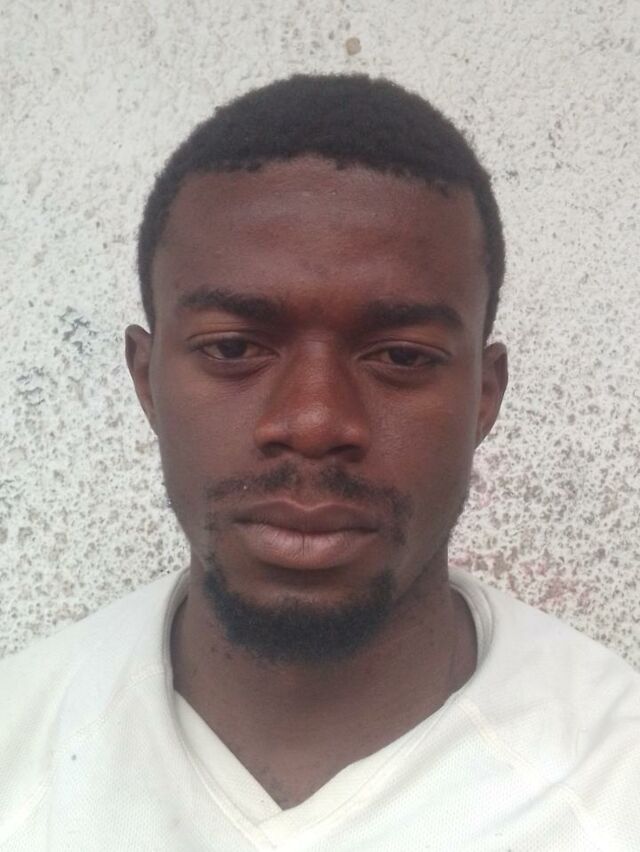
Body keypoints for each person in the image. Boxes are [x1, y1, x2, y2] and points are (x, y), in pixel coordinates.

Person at [1, 74, 638, 852]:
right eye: (233, 347)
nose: (313, 422)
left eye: (401, 356)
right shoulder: (21, 755)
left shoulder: (616, 785)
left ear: (484, 395)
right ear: (146, 379)